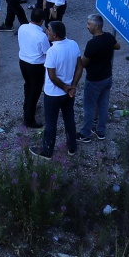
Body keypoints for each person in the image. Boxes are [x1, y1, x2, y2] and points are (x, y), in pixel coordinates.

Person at [37, 20, 81, 159]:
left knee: (51, 123)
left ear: (54, 35)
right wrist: (73, 86)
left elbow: (52, 76)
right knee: (69, 119)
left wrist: (65, 87)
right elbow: (80, 66)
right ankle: (72, 147)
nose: (46, 32)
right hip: (68, 93)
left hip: (53, 94)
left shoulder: (52, 51)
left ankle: (47, 151)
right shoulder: (73, 44)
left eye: (48, 30)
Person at [77, 15, 117, 142]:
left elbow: (84, 63)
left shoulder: (92, 44)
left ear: (96, 26)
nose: (86, 26)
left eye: (89, 24)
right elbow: (118, 46)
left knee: (89, 106)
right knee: (103, 105)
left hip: (94, 80)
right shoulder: (109, 37)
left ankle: (86, 134)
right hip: (107, 77)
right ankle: (101, 132)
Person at [16, 7, 51, 129]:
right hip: (35, 65)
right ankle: (29, 118)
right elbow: (47, 52)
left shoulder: (22, 27)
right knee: (35, 91)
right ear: (42, 20)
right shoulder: (41, 36)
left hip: (23, 62)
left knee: (28, 85)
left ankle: (27, 107)